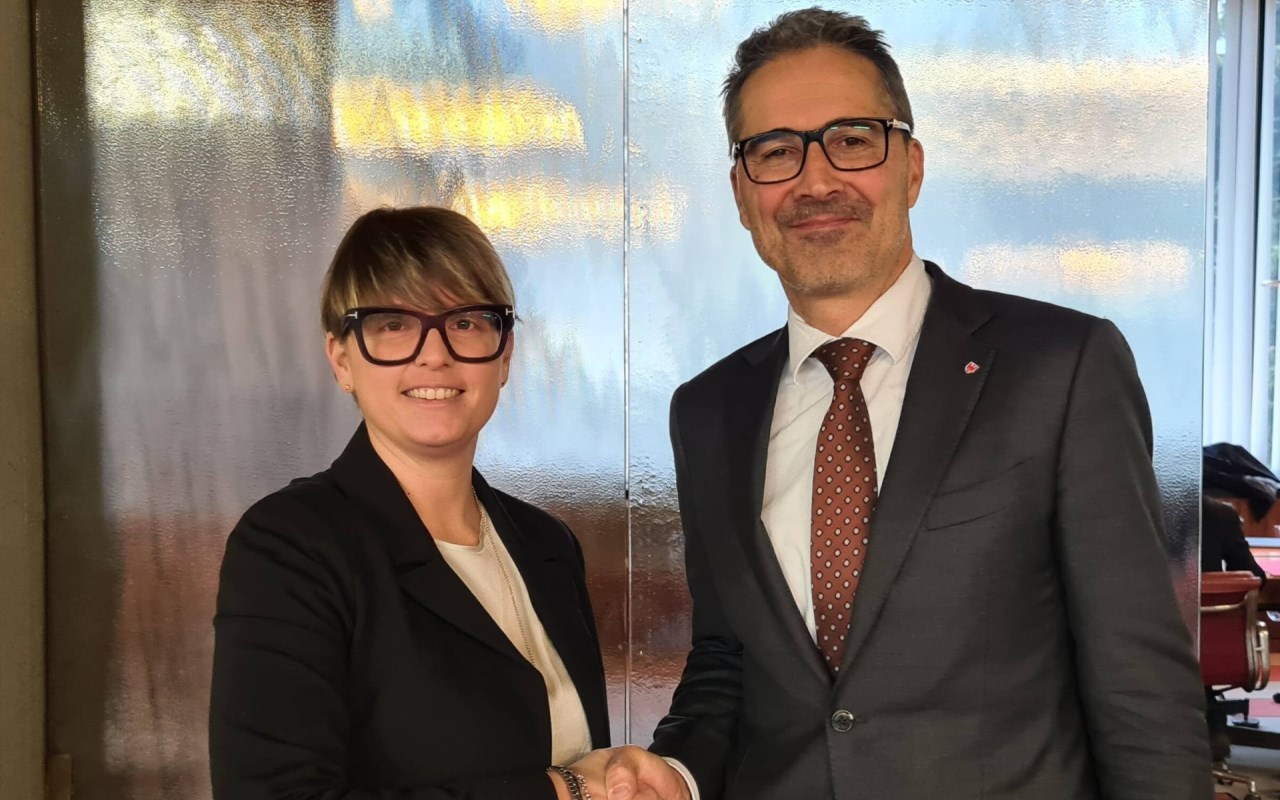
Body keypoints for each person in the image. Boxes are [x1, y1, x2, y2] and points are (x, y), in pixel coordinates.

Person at [591, 7, 1210, 799]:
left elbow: (1140, 684)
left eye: (853, 140)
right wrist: (676, 773)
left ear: (911, 167)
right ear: (743, 195)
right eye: (775, 152)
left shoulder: (1060, 368)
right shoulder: (709, 412)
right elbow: (726, 662)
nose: (816, 181)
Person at [209, 207, 610, 799]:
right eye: (393, 324)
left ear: (504, 355)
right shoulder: (290, 548)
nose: (434, 354)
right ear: (341, 359)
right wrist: (561, 792)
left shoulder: (547, 545)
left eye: (466, 322)